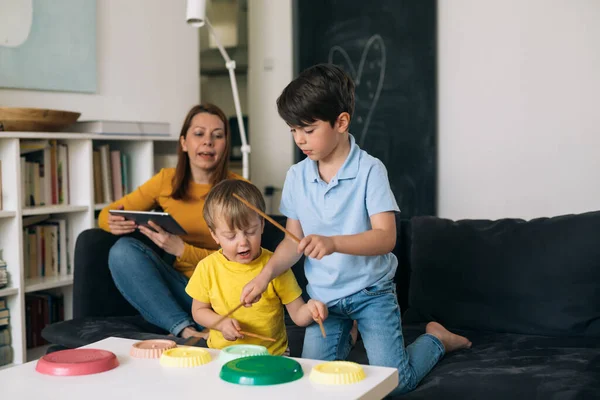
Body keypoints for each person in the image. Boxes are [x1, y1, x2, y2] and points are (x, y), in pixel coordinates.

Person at [240, 64, 471, 394]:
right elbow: (292, 243)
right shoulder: (296, 177)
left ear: (341, 122)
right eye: (293, 130)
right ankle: (348, 333)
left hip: (370, 294)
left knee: (395, 385)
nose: (300, 140)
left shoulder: (370, 171)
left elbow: (386, 238)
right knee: (313, 382)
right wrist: (263, 277)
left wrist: (333, 243)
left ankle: (436, 339)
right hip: (324, 300)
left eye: (308, 129)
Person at [99, 103, 242, 340]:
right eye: (199, 134)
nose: (208, 142)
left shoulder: (239, 189)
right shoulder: (166, 180)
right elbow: (108, 213)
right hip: (183, 292)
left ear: (225, 145)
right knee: (123, 251)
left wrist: (182, 250)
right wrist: (110, 222)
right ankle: (185, 331)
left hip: (223, 295)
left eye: (217, 136)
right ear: (184, 143)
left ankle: (196, 328)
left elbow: (243, 258)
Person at [185, 179, 328, 354]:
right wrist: (221, 323)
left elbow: (298, 315)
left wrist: (311, 310)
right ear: (214, 235)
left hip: (272, 355)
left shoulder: (276, 266)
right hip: (221, 354)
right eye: (231, 236)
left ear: (261, 225)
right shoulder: (207, 267)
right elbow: (199, 311)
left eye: (250, 232)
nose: (243, 242)